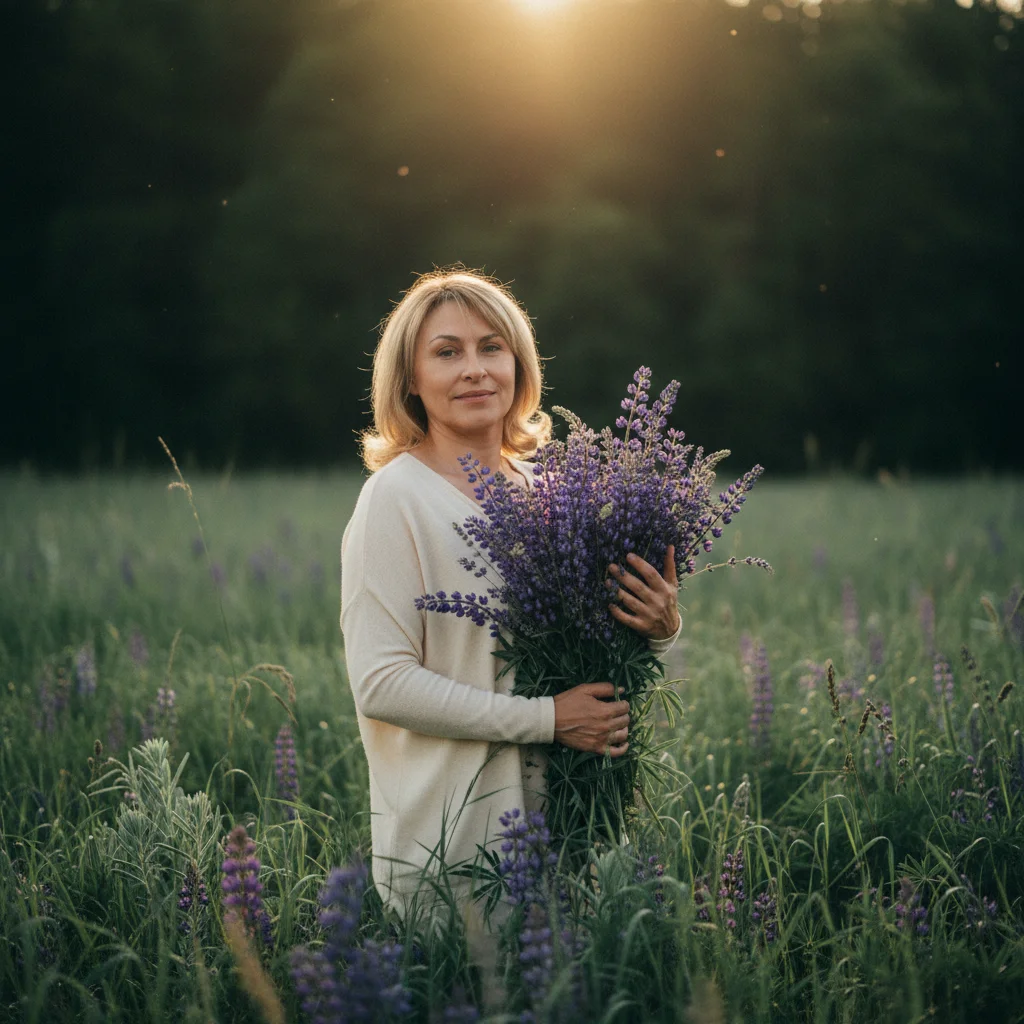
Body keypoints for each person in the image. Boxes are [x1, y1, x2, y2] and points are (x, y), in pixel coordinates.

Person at [340, 268, 680, 920]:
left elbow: (595, 648)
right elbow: (381, 683)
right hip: (458, 848)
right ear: (410, 380)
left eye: (491, 348)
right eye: (447, 352)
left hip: (575, 828)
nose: (474, 369)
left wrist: (660, 623)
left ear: (519, 366)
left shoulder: (553, 490)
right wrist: (550, 720)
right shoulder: (395, 499)